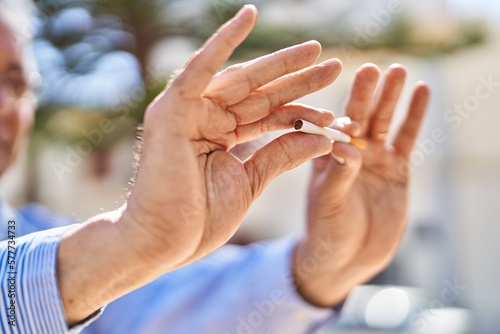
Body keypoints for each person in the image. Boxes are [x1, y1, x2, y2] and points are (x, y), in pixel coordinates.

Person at [0, 5, 430, 334]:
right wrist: (124, 246)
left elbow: (166, 308)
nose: (4, 105)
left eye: (15, 84)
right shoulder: (59, 251)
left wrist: (323, 268)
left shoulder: (37, 234)